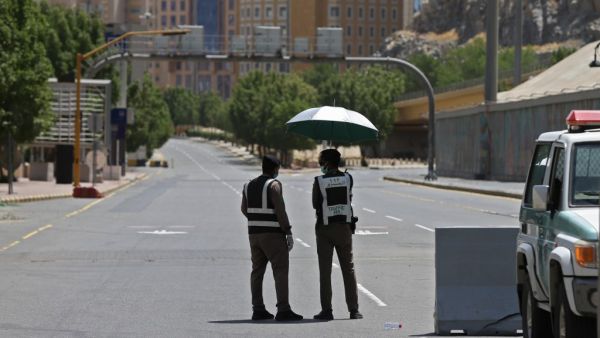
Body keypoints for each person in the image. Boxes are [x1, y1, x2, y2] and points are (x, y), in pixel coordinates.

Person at [241, 155, 303, 321]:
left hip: (254, 235)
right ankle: (283, 309)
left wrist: (256, 221)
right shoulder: (274, 185)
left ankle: (258, 309)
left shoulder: (248, 185)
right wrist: (288, 231)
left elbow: (244, 209)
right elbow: (280, 211)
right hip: (273, 235)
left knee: (257, 271)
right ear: (275, 169)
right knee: (280, 270)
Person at [312, 149, 363, 321]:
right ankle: (354, 310)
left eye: (321, 161)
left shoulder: (319, 181)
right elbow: (348, 196)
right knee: (348, 269)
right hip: (344, 228)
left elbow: (315, 204)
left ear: (326, 162)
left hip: (325, 229)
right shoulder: (348, 178)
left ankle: (327, 310)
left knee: (325, 272)